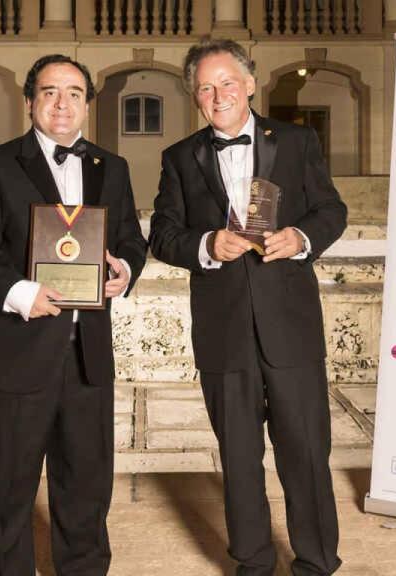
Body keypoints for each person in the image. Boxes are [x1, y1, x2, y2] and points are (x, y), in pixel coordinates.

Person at [149, 39, 347, 576]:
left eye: (228, 83)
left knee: (305, 455)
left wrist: (302, 237)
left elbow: (331, 209)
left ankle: (316, 563)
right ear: (195, 95)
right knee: (238, 460)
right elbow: (162, 234)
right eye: (207, 88)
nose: (219, 96)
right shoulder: (180, 157)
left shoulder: (298, 141)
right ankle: (253, 563)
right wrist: (205, 245)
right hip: (224, 330)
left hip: (291, 327)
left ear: (251, 84)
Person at [0, 54, 147, 575]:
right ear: (30, 101)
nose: (62, 103)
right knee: (10, 484)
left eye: (74, 93)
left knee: (86, 483)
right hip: (23, 344)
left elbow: (130, 238)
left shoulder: (114, 167)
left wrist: (123, 270)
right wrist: (20, 292)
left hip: (89, 353)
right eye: (50, 92)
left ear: (87, 103)